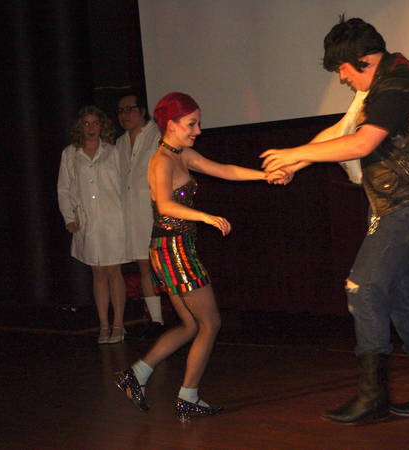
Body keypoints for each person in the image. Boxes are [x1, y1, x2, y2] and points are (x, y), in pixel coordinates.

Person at [261, 16, 409, 424]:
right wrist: (294, 162)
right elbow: (340, 132)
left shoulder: (397, 87)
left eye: (343, 69)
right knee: (403, 293)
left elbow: (362, 143)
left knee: (362, 288)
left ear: (364, 60)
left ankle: (373, 396)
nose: (342, 78)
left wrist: (294, 154)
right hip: (402, 201)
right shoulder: (384, 81)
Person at [115, 92, 288, 421]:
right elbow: (165, 205)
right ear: (171, 124)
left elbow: (225, 170)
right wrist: (205, 217)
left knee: (191, 325)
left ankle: (136, 375)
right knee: (210, 322)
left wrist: (266, 175)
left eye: (198, 124)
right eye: (191, 124)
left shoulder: (183, 154)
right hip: (174, 250)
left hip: (175, 248)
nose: (198, 130)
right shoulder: (161, 161)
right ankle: (188, 397)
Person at [58, 106, 129, 344]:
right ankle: (103, 325)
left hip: (114, 218)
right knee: (97, 272)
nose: (91, 128)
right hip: (87, 221)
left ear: (102, 126)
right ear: (80, 126)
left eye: (95, 123)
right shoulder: (70, 153)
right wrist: (69, 217)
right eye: (86, 123)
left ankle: (118, 323)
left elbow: (124, 185)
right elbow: (64, 188)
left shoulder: (113, 151)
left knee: (114, 271)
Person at [115, 92, 167, 339]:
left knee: (164, 266)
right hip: (132, 214)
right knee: (144, 266)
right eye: (120, 111)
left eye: (129, 109)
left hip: (154, 211)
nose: (124, 115)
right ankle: (156, 321)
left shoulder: (157, 135)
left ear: (142, 111)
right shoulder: (120, 143)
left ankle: (186, 316)